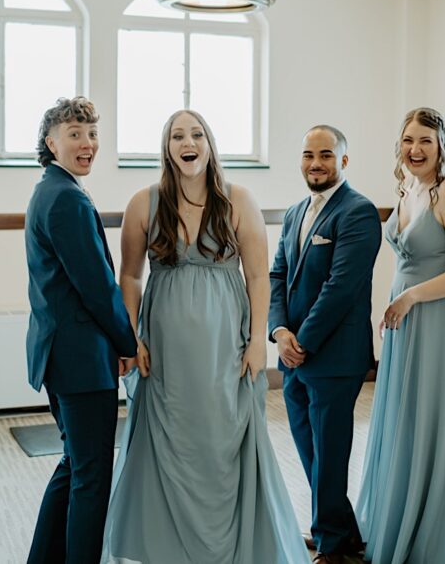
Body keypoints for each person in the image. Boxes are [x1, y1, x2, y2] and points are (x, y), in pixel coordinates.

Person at [103, 109, 306, 563]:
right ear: (167, 148)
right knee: (170, 443)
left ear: (210, 144)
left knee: (222, 443)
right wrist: (130, 337)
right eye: (177, 135)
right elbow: (131, 277)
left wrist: (258, 341)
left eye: (196, 134)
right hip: (166, 353)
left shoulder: (239, 200)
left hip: (225, 348)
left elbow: (257, 276)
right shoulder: (144, 203)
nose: (187, 141)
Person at [356, 108, 445, 563]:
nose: (415, 150)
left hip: (436, 318)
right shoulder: (409, 187)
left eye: (426, 142)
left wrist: (412, 296)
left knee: (431, 418)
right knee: (404, 418)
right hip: (406, 318)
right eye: (409, 140)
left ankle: (432, 536)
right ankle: (398, 522)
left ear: (442, 147)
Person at [24, 97, 137, 564]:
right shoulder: (66, 197)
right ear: (51, 143)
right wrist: (129, 342)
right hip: (81, 358)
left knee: (75, 465)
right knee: (92, 475)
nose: (87, 143)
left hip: (58, 354)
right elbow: (96, 286)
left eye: (92, 134)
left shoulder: (49, 189)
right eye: (75, 134)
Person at [269, 125, 382, 564]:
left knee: (330, 453)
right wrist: (280, 332)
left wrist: (304, 342)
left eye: (326, 156)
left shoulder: (358, 211)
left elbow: (341, 288)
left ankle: (333, 546)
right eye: (308, 155)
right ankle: (340, 527)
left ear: (343, 161)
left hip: (334, 356)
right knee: (310, 450)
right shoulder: (297, 212)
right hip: (292, 353)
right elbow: (278, 275)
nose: (315, 163)